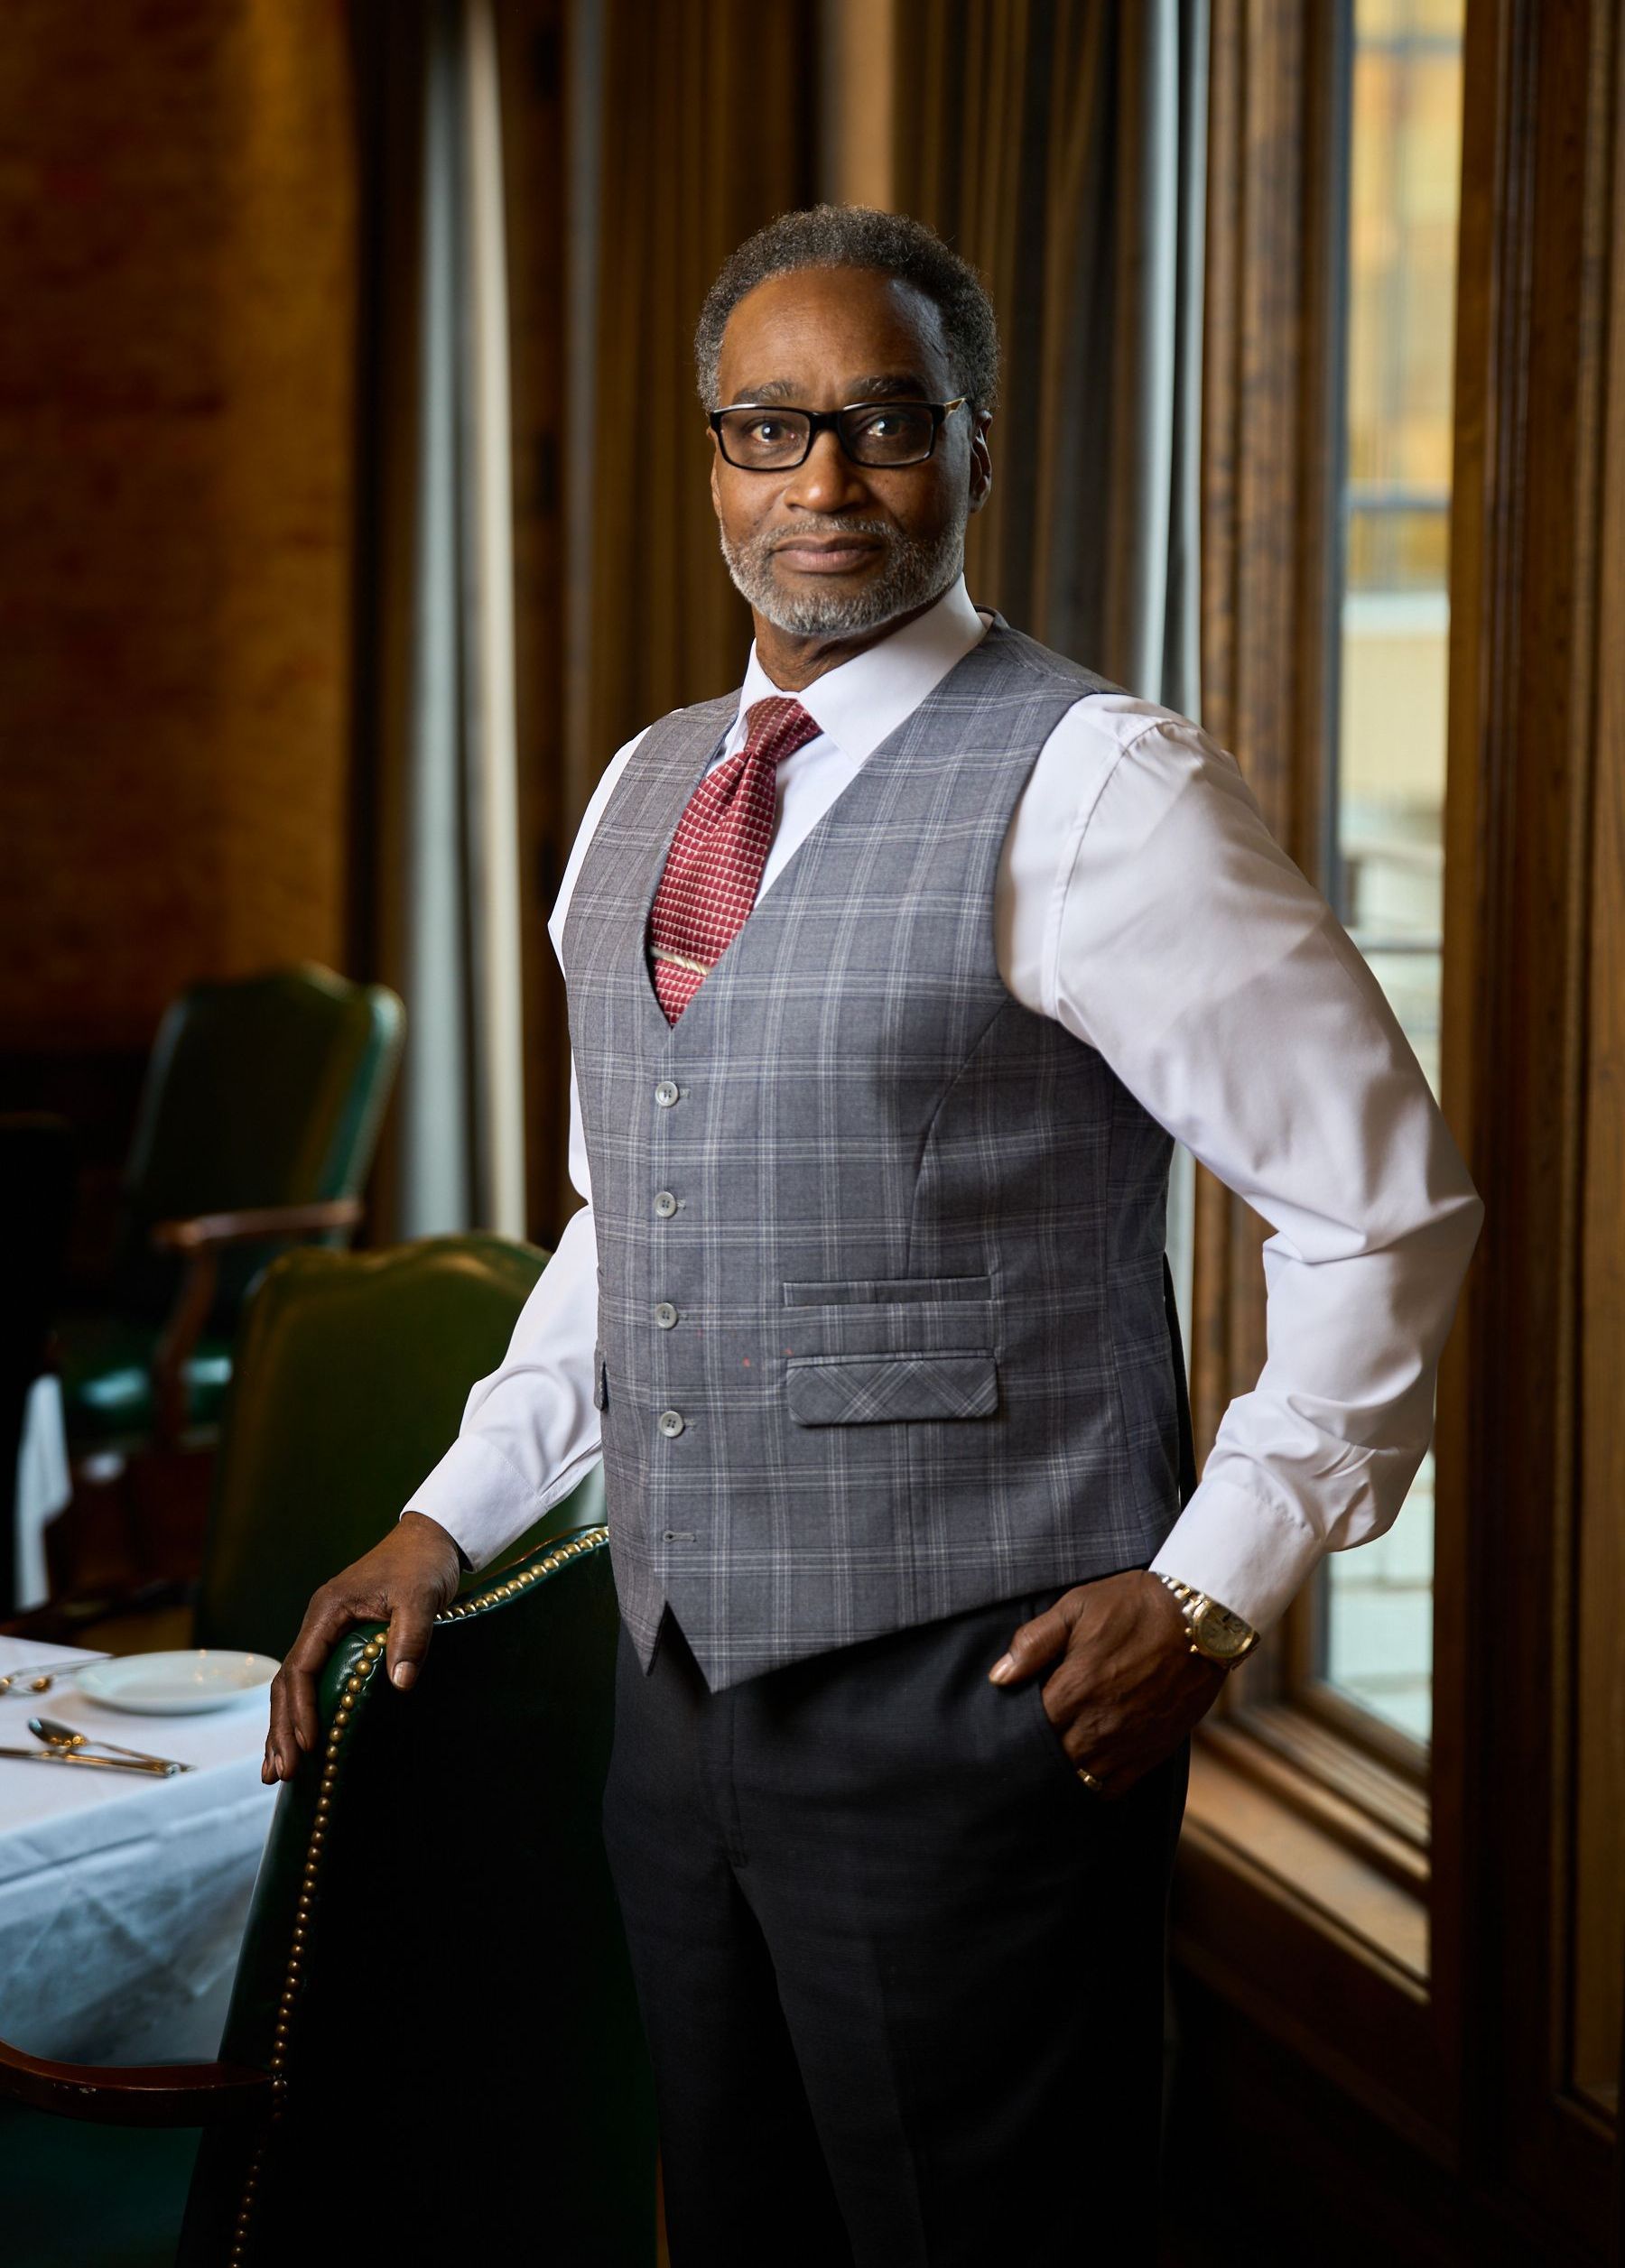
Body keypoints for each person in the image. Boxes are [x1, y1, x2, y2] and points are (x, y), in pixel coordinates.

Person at [264, 205, 1483, 2266]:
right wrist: (449, 1515)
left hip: (978, 1704)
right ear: (714, 461)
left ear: (976, 455)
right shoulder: (648, 792)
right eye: (771, 427)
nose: (824, 480)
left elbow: (1381, 1212)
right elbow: (620, 1221)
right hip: (675, 1706)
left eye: (884, 423)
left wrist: (1212, 1595)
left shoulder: (1103, 785)